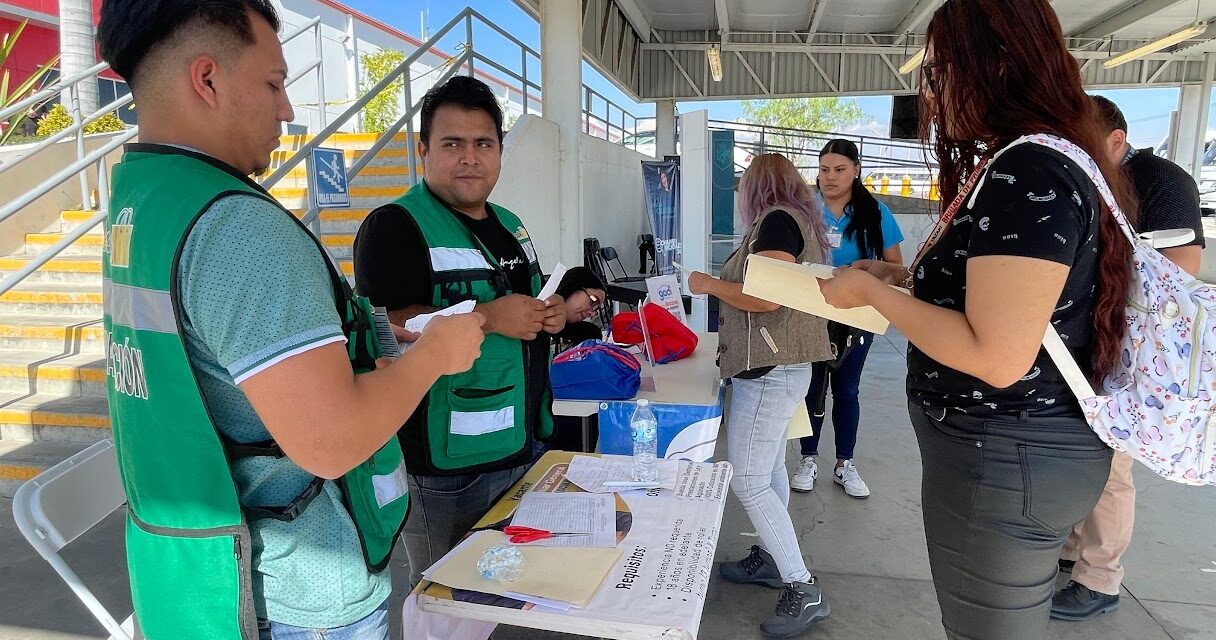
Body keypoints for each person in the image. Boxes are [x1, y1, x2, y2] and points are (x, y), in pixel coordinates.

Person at [96, 2, 485, 639]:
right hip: (299, 599)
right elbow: (331, 440)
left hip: (193, 574)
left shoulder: (144, 199)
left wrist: (362, 342)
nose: (286, 109)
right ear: (207, 79)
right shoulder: (238, 228)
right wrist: (435, 355)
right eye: (275, 83)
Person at [818, 1, 1139, 638]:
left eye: (942, 71)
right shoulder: (1049, 158)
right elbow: (1006, 300)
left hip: (1005, 458)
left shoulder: (1028, 170)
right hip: (1018, 455)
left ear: (994, 65)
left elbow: (996, 355)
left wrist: (874, 295)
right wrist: (902, 281)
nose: (933, 91)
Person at [353, 75, 565, 587]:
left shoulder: (510, 225)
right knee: (442, 598)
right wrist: (490, 317)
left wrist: (550, 313)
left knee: (507, 589)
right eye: (452, 144)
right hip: (444, 469)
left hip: (523, 445)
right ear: (423, 150)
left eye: (483, 144)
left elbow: (524, 304)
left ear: (499, 152)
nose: (470, 157)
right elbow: (386, 327)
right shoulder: (394, 226)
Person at [1052, 95, 1206, 621]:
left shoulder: (1160, 181)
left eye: (1084, 142)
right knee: (1087, 454)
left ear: (1117, 140)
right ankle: (1074, 549)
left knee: (1113, 462)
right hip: (1095, 342)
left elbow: (1179, 274)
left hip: (1134, 352)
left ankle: (1099, 578)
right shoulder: (1092, 180)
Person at [686, 153, 834, 638]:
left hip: (770, 369)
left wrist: (709, 284)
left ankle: (802, 584)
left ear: (756, 188)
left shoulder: (776, 223)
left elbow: (768, 298)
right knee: (768, 471)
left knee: (748, 481)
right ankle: (772, 558)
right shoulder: (796, 222)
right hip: (781, 367)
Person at [791, 139, 905, 499]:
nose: (830, 177)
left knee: (847, 389)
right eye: (824, 170)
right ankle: (808, 458)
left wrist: (862, 274)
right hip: (810, 313)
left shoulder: (876, 213)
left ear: (856, 170)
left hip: (858, 317)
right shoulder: (804, 210)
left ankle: (845, 463)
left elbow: (897, 268)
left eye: (839, 169)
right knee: (812, 387)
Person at [552, 266, 607, 352]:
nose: (592, 314)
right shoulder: (532, 328)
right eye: (593, 301)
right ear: (572, 287)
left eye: (596, 310)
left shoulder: (588, 333)